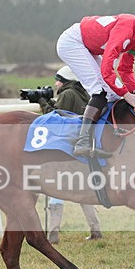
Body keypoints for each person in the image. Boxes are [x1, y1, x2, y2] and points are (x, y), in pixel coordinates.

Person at [56, 0, 135, 159]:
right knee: (100, 91)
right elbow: (107, 69)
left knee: (112, 94)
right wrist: (126, 94)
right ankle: (83, 142)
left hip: (87, 46)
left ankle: (100, 139)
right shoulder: (127, 30)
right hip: (72, 43)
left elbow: (125, 68)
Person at [41, 66, 103, 243]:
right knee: (83, 189)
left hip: (65, 148)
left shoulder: (67, 94)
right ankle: (95, 230)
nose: (56, 83)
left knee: (55, 188)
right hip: (81, 147)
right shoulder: (84, 93)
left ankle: (52, 234)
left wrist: (43, 103)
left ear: (66, 81)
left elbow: (54, 118)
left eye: (58, 79)